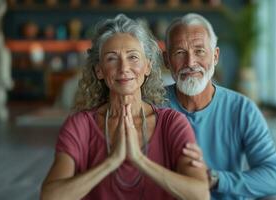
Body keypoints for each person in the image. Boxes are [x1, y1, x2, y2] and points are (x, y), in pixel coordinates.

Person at [41, 14, 210, 200]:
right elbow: (50, 197)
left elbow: (200, 194)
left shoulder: (172, 123)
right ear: (99, 70)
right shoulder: (80, 125)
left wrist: (139, 161)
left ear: (147, 67)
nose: (123, 68)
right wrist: (111, 162)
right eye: (112, 58)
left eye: (133, 57)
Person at [163, 13, 276, 199]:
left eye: (199, 51)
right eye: (180, 53)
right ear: (166, 60)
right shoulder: (154, 104)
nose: (190, 63)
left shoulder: (241, 108)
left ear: (215, 56)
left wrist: (214, 179)